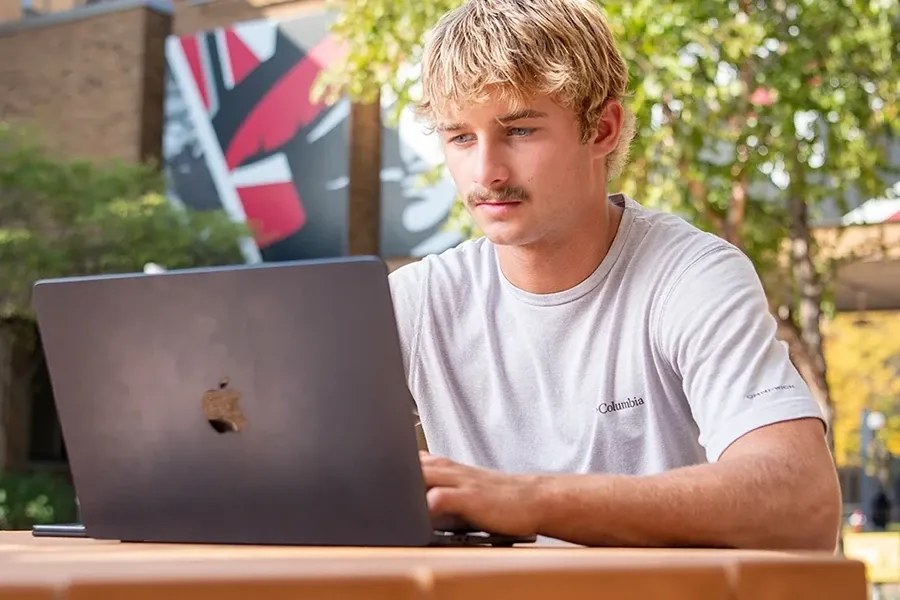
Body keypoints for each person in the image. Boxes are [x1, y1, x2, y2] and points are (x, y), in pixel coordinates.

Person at [388, 0, 841, 550]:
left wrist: (527, 501)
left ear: (602, 128)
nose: (486, 172)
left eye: (521, 130)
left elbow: (803, 505)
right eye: (460, 137)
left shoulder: (691, 277)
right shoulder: (416, 301)